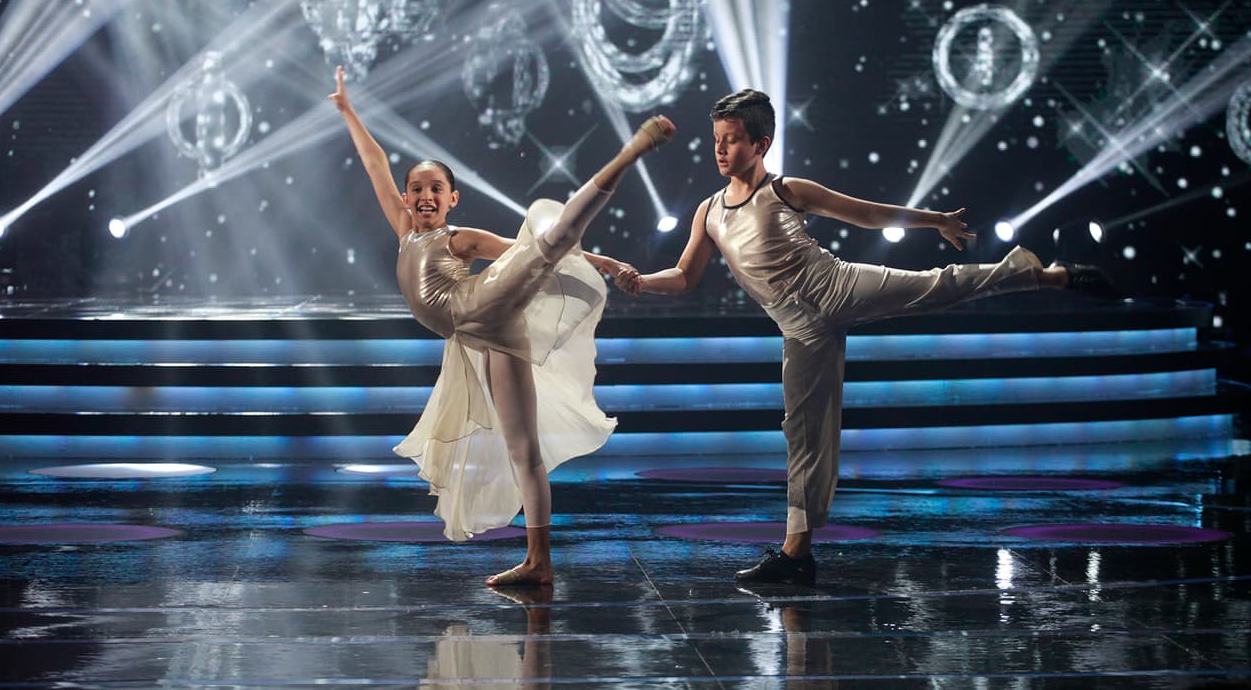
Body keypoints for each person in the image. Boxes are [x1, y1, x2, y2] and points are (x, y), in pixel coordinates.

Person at [615, 88, 1114, 585]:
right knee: (805, 433)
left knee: (936, 286)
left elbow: (867, 213)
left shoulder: (787, 190)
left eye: (733, 140)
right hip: (799, 328)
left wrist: (934, 220)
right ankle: (797, 554)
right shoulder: (709, 212)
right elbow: (684, 276)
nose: (721, 151)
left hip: (840, 286)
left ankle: (1045, 275)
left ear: (762, 144)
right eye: (717, 141)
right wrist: (643, 283)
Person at [328, 66, 674, 586]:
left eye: (436, 189)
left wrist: (602, 263)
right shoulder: (404, 232)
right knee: (523, 449)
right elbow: (375, 164)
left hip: (482, 302)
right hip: (485, 336)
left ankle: (628, 154)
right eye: (416, 189)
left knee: (547, 234)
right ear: (405, 199)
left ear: (452, 199)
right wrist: (349, 113)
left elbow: (531, 255)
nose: (424, 196)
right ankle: (539, 561)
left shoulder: (460, 238)